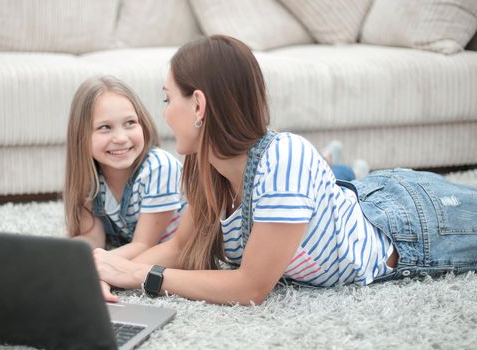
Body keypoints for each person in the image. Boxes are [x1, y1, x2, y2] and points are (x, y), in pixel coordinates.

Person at [93, 35, 477, 306]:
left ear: (198, 106)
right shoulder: (205, 168)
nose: (162, 112)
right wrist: (108, 269)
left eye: (167, 98)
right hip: (371, 196)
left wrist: (141, 277)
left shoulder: (284, 158)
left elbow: (251, 288)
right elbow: (179, 247)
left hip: (414, 224)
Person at [64, 75, 186, 263]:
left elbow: (144, 245)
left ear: (142, 123)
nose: (121, 138)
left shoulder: (159, 168)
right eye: (105, 127)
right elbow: (93, 238)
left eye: (130, 123)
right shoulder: (90, 176)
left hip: (177, 254)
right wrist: (69, 254)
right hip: (140, 253)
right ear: (81, 137)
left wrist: (92, 264)